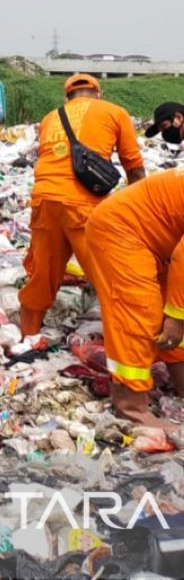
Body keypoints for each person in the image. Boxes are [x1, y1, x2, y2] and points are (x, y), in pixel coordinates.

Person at [19, 74, 145, 336]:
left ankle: (26, 338)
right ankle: (125, 343)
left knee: (41, 276)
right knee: (108, 277)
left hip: (44, 201)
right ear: (99, 93)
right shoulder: (114, 112)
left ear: (67, 97)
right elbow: (134, 168)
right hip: (85, 206)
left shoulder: (50, 117)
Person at [85, 167, 184, 429]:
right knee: (142, 314)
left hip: (159, 241)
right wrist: (176, 315)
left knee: (172, 315)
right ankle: (130, 407)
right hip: (122, 230)